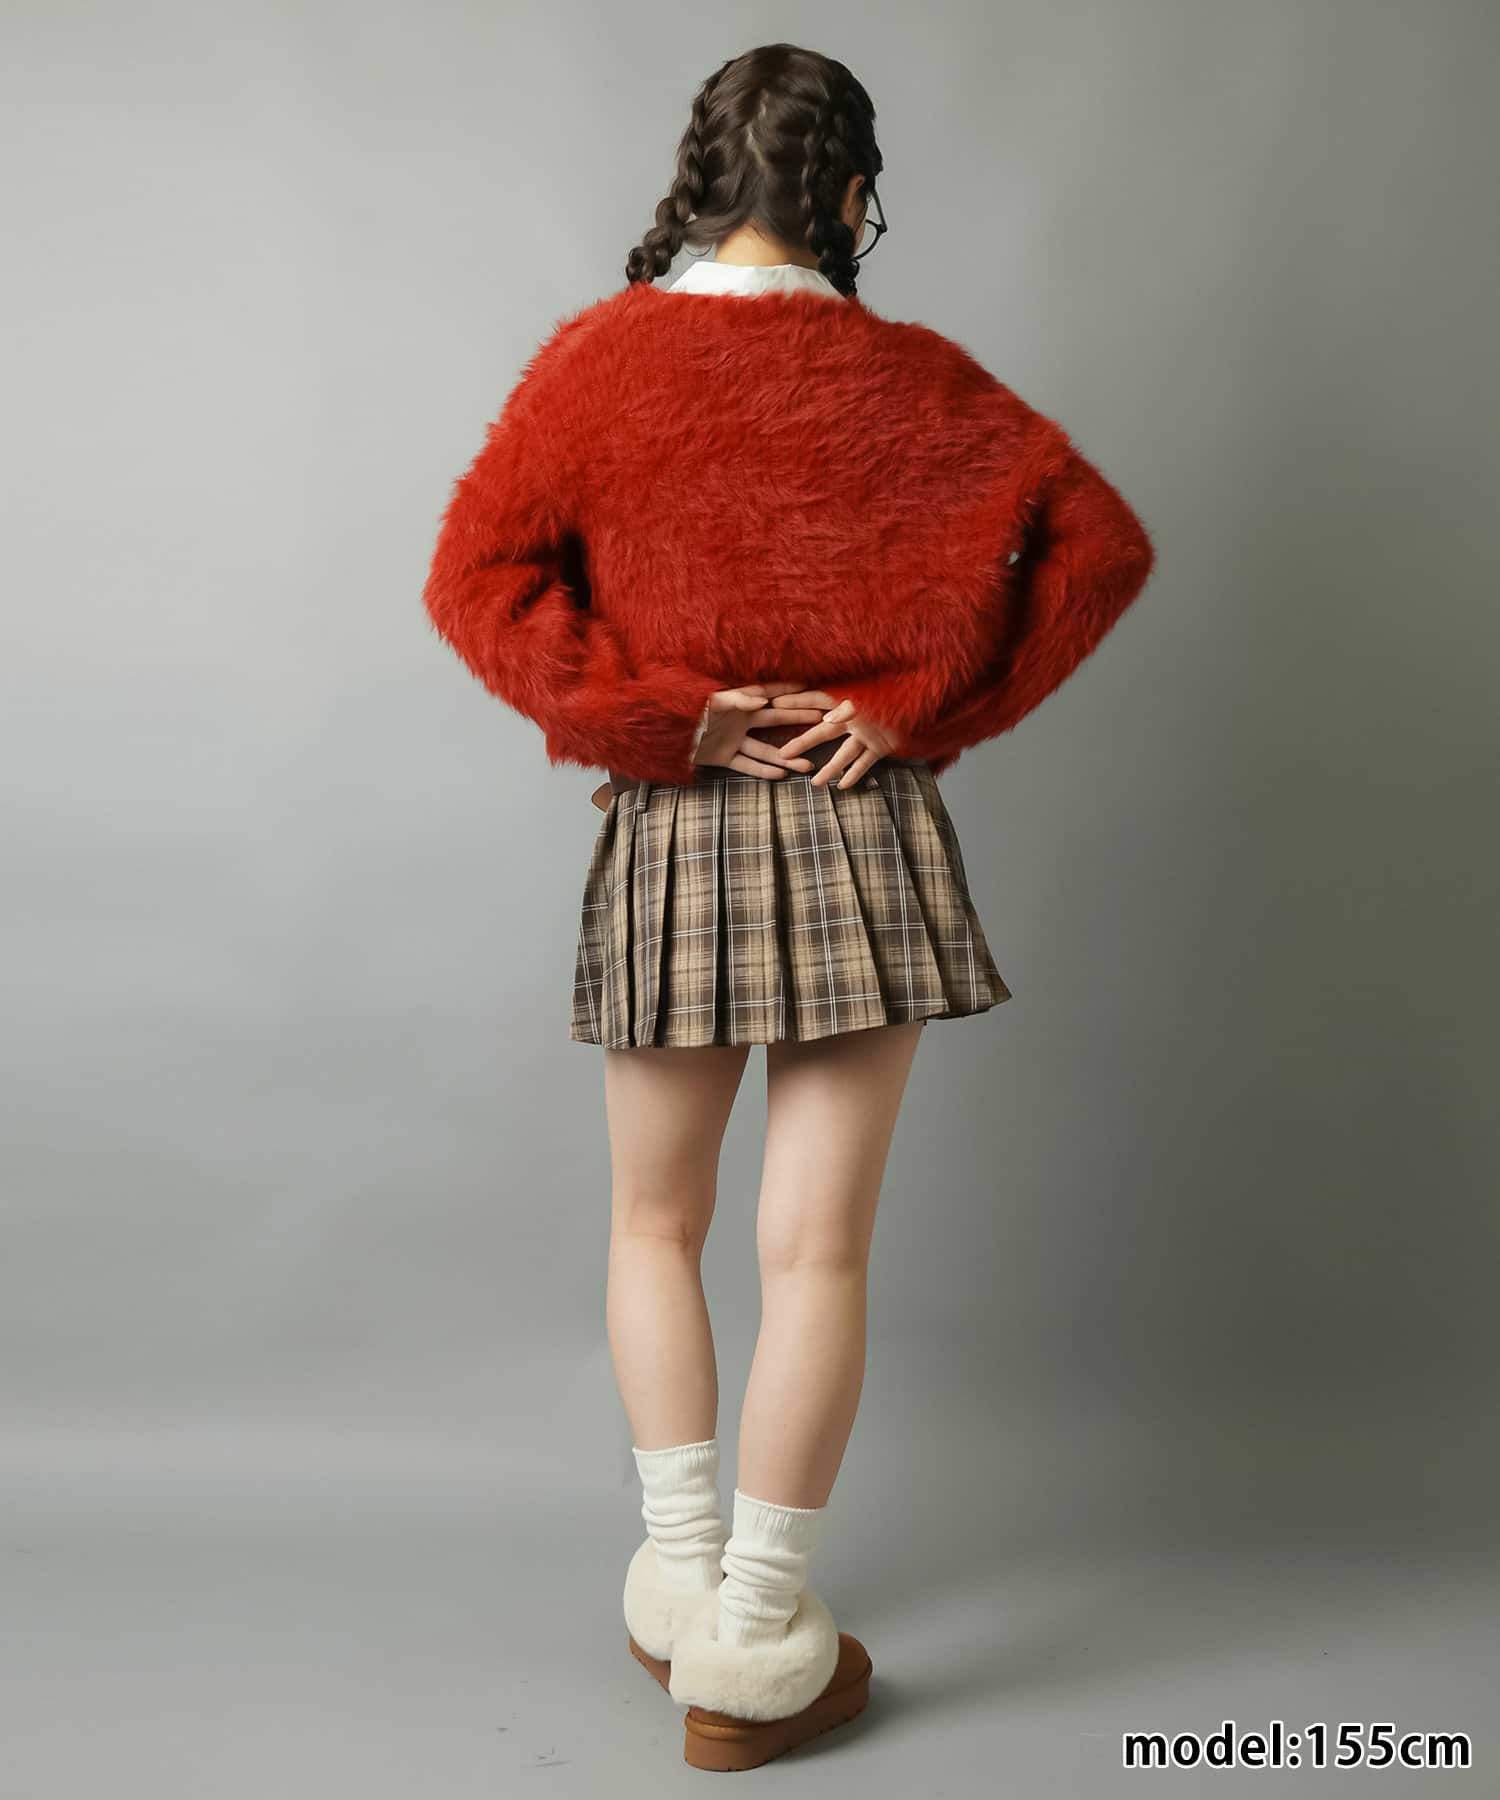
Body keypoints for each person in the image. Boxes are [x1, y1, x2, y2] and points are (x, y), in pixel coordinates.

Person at [420, 41, 1157, 1772]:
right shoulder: (922, 380)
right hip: (860, 834)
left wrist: (657, 716)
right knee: (815, 1248)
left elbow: (474, 583)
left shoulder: (595, 364)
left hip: (680, 830)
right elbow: (1099, 551)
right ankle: (755, 1638)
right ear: (850, 194)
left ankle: (679, 1584)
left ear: (698, 181)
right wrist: (910, 712)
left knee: (651, 1226)